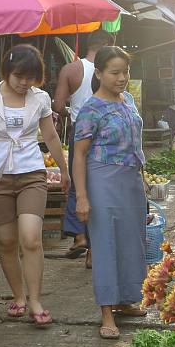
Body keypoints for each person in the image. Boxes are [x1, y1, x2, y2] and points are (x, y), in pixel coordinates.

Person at [0, 44, 69, 327]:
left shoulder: (40, 98)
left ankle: (36, 300)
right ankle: (18, 296)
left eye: (30, 77)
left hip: (31, 173)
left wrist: (63, 170)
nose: (24, 82)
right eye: (19, 76)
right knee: (5, 241)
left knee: (31, 238)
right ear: (7, 71)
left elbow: (51, 137)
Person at [72, 46, 148, 340]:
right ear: (99, 73)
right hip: (102, 180)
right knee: (105, 243)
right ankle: (106, 312)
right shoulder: (90, 110)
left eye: (125, 72)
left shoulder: (128, 100)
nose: (121, 78)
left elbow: (135, 143)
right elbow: (79, 155)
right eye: (114, 72)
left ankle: (128, 299)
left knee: (132, 240)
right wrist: (82, 196)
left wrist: (141, 177)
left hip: (130, 180)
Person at [53, 30, 114, 262]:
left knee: (79, 184)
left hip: (80, 130)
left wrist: (71, 111)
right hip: (106, 133)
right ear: (107, 45)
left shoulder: (71, 69)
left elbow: (58, 105)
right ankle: (92, 253)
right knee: (99, 187)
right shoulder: (109, 71)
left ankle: (79, 236)